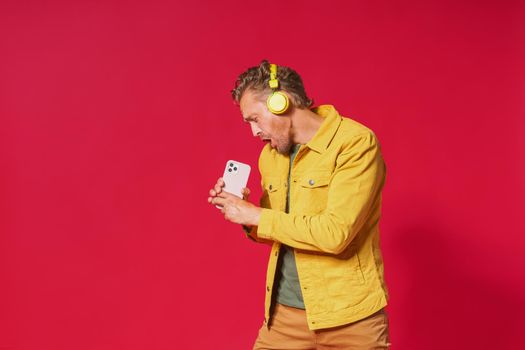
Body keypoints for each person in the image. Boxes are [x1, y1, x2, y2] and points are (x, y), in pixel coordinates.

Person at [208, 60, 390, 349]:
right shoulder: (271, 156)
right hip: (284, 317)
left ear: (282, 102)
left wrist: (257, 215)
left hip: (350, 319)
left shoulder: (355, 144)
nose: (253, 132)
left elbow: (335, 234)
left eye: (255, 119)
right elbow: (280, 230)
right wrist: (242, 211)